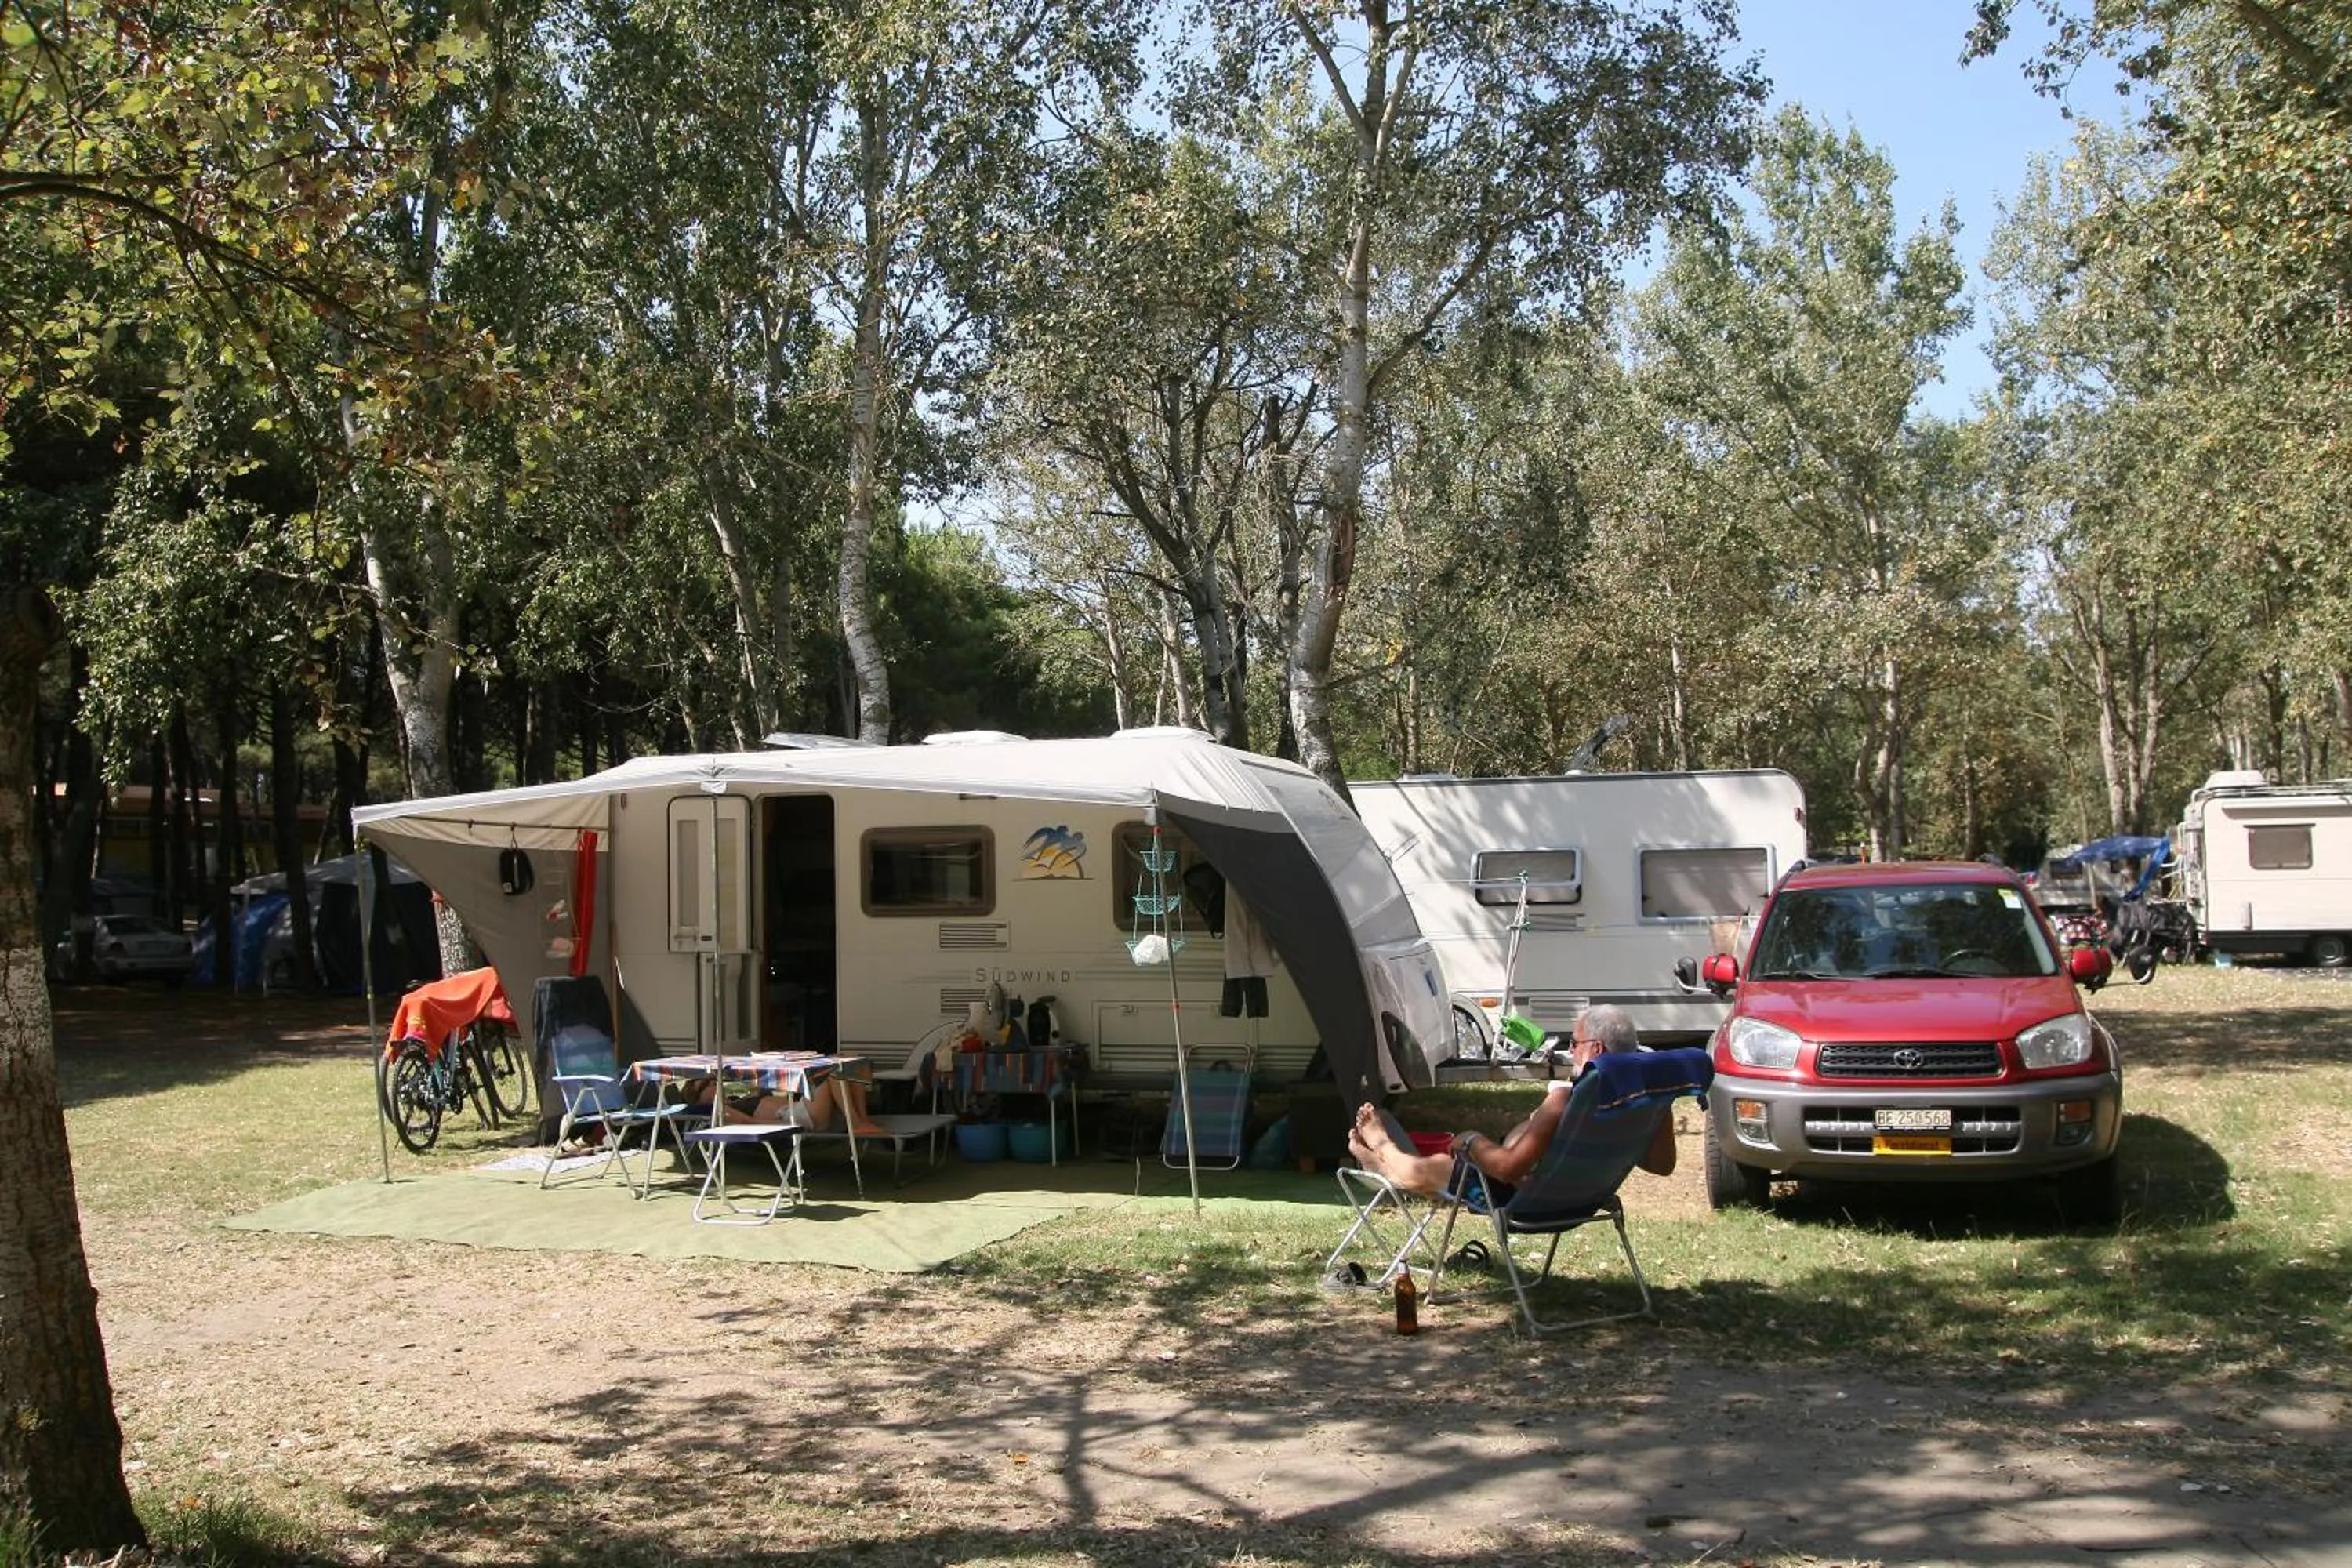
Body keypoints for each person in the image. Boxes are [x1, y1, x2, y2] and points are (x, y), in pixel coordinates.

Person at [1345, 1004, 1676, 1200]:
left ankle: (1385, 1151)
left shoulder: (1566, 1102)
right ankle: (1387, 1169)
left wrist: (1470, 1141)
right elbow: (1663, 1166)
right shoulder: (1651, 1103)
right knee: (1443, 1177)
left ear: (1597, 1050)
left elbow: (1508, 1169)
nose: (1571, 1050)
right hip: (1584, 1196)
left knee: (1429, 1170)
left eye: (1574, 1043)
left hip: (1526, 1195)